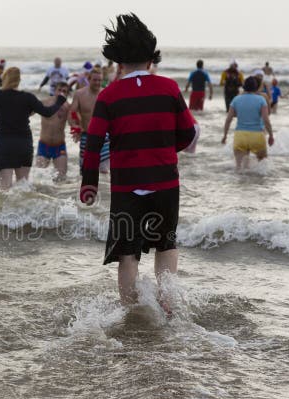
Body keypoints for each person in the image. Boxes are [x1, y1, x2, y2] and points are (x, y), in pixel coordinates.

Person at [79, 14, 198, 310]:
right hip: (166, 185)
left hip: (126, 189)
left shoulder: (108, 95)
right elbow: (188, 133)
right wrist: (165, 150)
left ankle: (131, 313)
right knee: (166, 246)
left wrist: (89, 184)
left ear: (118, 62)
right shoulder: (170, 88)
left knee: (127, 254)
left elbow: (93, 143)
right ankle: (169, 308)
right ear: (150, 59)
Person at [0, 67, 67, 189]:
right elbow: (47, 112)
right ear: (19, 80)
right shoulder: (28, 97)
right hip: (23, 145)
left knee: (5, 188)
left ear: (6, 79)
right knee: (22, 187)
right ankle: (23, 209)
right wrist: (59, 102)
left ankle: (6, 209)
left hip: (4, 145)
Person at [221, 77, 274, 169]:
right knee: (263, 164)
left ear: (244, 87)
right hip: (257, 136)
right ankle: (259, 183)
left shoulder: (236, 99)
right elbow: (266, 119)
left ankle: (242, 183)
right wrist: (271, 135)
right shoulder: (261, 100)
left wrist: (225, 135)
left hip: (240, 136)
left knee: (240, 167)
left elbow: (228, 119)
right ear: (256, 87)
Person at [69, 68, 110, 172]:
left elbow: (114, 115)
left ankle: (102, 189)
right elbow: (71, 113)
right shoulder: (79, 94)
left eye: (100, 80)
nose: (97, 83)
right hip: (86, 136)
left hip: (104, 137)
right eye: (95, 80)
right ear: (89, 79)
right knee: (85, 170)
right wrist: (75, 127)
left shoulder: (106, 93)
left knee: (104, 171)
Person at [36, 81, 71, 180]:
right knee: (38, 179)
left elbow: (74, 122)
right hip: (44, 146)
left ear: (67, 94)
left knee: (61, 179)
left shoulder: (68, 107)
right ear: (55, 91)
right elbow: (28, 114)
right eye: (59, 90)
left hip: (59, 147)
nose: (61, 93)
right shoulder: (44, 103)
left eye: (64, 91)